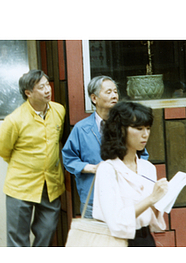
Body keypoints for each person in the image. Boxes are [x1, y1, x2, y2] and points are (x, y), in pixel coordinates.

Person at [62, 76, 149, 218]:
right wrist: (91, 168)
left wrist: (128, 168)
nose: (114, 95)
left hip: (124, 197)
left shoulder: (127, 126)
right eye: (108, 92)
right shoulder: (81, 128)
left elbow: (142, 155)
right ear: (94, 98)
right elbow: (69, 159)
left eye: (115, 91)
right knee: (95, 239)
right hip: (92, 198)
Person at [0, 69, 65, 247]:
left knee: (48, 230)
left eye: (47, 84)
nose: (47, 90)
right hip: (21, 185)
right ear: (28, 93)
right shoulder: (14, 120)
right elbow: (3, 149)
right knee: (18, 237)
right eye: (41, 87)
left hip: (50, 184)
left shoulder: (59, 111)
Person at [92, 101, 168, 247]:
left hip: (146, 239)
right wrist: (152, 198)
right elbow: (116, 221)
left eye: (148, 128)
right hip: (117, 243)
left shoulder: (148, 168)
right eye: (138, 128)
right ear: (121, 130)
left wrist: (163, 198)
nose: (145, 134)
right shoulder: (107, 169)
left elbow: (152, 218)